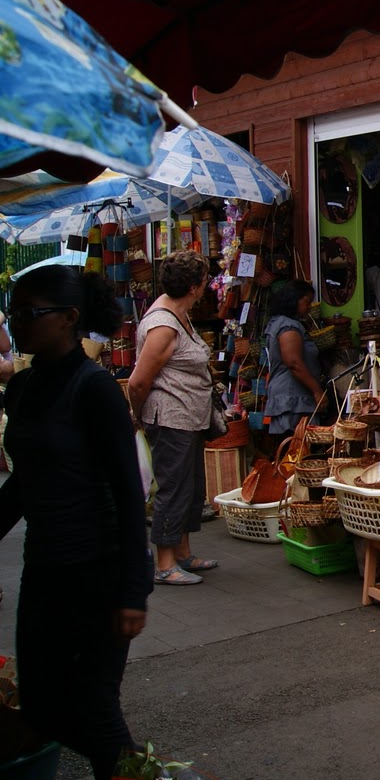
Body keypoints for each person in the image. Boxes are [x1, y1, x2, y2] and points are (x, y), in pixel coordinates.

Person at [0, 266, 149, 780]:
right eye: (13, 312)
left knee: (94, 706)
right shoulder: (20, 388)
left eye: (29, 313)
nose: (17, 323)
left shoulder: (95, 390)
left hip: (98, 571)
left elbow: (129, 495)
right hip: (44, 569)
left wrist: (134, 589)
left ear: (69, 319)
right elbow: (25, 483)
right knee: (40, 703)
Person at [127, 249, 217, 586]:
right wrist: (137, 417)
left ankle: (183, 553)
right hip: (170, 418)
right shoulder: (163, 325)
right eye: (205, 281)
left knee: (191, 487)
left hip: (187, 417)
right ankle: (164, 564)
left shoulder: (179, 312)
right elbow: (138, 381)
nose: (206, 287)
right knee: (173, 488)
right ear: (194, 287)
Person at [263, 279, 328, 438]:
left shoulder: (279, 323)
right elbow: (293, 363)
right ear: (294, 300)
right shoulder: (288, 326)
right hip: (292, 399)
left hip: (290, 397)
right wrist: (317, 391)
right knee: (296, 450)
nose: (309, 307)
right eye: (306, 301)